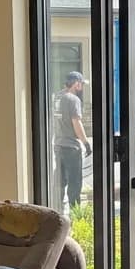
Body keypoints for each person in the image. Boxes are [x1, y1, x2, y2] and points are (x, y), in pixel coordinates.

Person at [52, 71, 91, 211]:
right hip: (71, 147)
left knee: (60, 181)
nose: (82, 87)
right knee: (75, 183)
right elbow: (77, 123)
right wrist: (86, 143)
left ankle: (56, 211)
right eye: (81, 84)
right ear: (76, 83)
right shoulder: (73, 99)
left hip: (58, 145)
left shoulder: (57, 97)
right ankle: (75, 214)